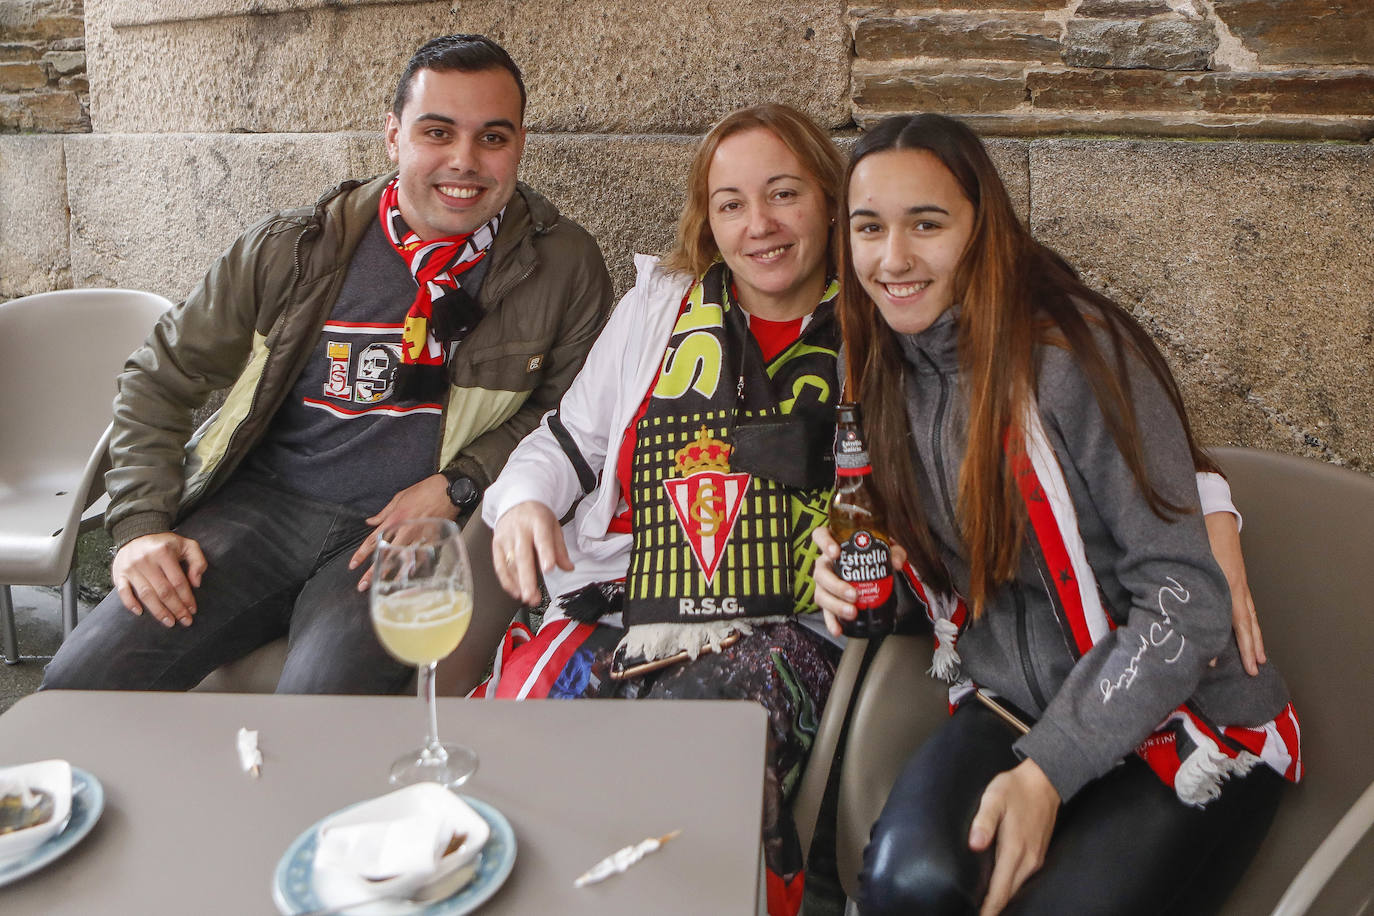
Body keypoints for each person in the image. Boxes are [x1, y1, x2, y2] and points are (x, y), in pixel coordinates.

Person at [813, 113, 1300, 916]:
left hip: (1182, 716)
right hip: (1009, 697)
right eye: (869, 228)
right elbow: (954, 578)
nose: (892, 259)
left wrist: (1049, 771)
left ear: (982, 228)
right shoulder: (872, 365)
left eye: (926, 224)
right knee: (910, 888)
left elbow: (1187, 594)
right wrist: (865, 587)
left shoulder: (1075, 352)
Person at [41, 34, 613, 695]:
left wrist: (459, 483)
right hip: (264, 509)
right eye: (437, 131)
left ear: (517, 145)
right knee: (79, 682)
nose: (464, 160)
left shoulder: (561, 264)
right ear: (393, 136)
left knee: (319, 707)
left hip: (401, 534)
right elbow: (159, 376)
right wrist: (140, 527)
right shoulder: (296, 248)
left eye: (493, 137)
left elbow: (572, 415)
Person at [480, 104, 846, 916]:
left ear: (827, 198)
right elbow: (565, 440)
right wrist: (523, 505)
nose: (760, 225)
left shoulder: (879, 325)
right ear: (708, 221)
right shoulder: (659, 307)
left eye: (784, 194)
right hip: (622, 599)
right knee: (515, 774)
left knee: (686, 766)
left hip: (783, 622)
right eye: (731, 204)